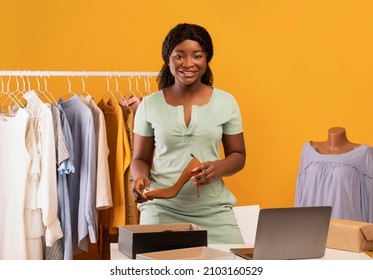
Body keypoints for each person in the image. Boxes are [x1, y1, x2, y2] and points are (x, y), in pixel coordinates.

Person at [130, 23, 246, 243]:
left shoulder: (226, 102)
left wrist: (217, 167)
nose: (189, 63)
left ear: (207, 59)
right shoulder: (149, 105)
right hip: (161, 209)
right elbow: (140, 158)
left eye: (197, 56)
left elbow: (238, 155)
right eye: (179, 56)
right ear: (168, 59)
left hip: (214, 210)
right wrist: (139, 177)